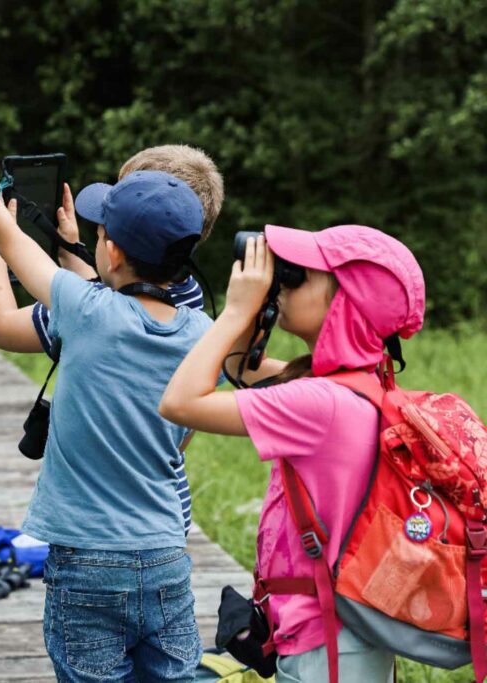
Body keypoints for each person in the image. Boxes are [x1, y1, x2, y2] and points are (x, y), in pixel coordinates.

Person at [0, 121, 214, 681]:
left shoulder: (84, 310)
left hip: (87, 560)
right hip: (167, 555)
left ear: (114, 248)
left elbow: (2, 236)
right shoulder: (204, 331)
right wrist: (79, 246)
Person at [159, 226, 425, 682]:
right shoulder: (358, 383)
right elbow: (238, 366)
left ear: (345, 302)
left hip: (327, 650)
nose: (283, 283)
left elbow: (178, 403)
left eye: (298, 277)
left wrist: (236, 311)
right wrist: (256, 309)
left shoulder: (319, 403)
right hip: (337, 637)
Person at [0, 144, 224, 536]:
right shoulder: (193, 308)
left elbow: (1, 326)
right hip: (161, 512)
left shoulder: (94, 312)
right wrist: (72, 251)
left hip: (92, 523)